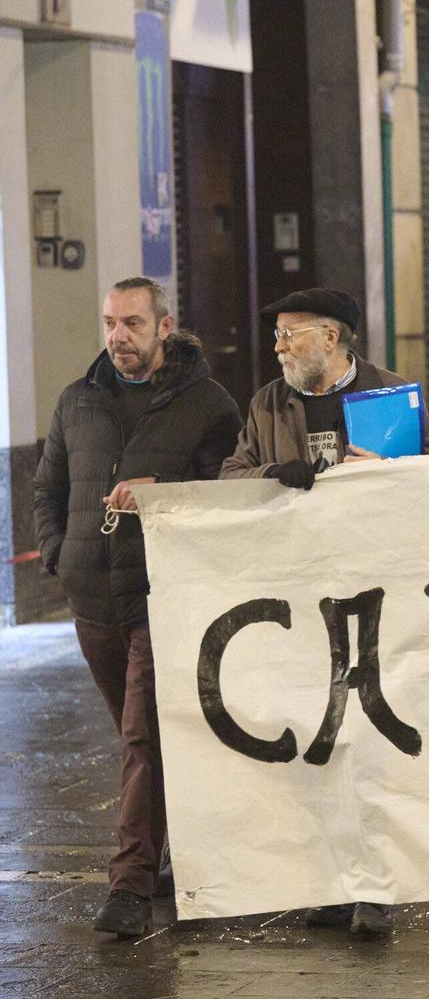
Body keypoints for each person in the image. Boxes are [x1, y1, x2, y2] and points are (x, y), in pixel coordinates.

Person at [220, 288, 429, 937]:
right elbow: (231, 471)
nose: (278, 347)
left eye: (289, 334)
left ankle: (377, 884)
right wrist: (273, 472)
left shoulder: (388, 393)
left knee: (372, 740)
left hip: (377, 587)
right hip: (301, 590)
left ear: (331, 336)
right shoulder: (270, 401)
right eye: (277, 337)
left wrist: (394, 472)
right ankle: (333, 879)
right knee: (317, 735)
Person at [32, 278, 242, 939]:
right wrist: (58, 554)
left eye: (131, 322)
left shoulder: (207, 404)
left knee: (141, 737)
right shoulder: (77, 401)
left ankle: (128, 884)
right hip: (92, 597)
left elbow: (228, 492)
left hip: (162, 592)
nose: (117, 335)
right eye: (109, 323)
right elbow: (48, 487)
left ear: (163, 324)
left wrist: (165, 491)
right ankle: (179, 851)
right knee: (151, 742)